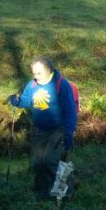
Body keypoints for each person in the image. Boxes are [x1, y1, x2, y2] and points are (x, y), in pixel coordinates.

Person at [8, 56, 78, 200]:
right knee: (38, 162)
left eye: (39, 73)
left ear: (49, 70)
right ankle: (41, 192)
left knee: (51, 161)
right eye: (34, 73)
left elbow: (70, 111)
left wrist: (69, 134)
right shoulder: (32, 85)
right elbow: (27, 99)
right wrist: (18, 101)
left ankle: (65, 192)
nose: (36, 76)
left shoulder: (61, 85)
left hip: (59, 129)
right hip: (40, 129)